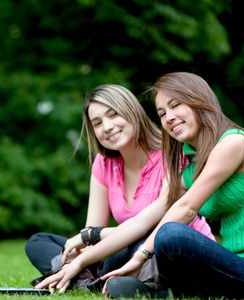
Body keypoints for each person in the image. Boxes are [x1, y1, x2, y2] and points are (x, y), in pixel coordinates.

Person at [38, 72, 244, 298]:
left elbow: (184, 209)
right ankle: (162, 291)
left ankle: (155, 287)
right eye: (162, 113)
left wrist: (140, 255)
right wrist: (83, 258)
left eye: (176, 106)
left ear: (200, 101)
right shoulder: (189, 165)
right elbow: (142, 221)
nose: (169, 117)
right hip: (237, 265)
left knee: (172, 234)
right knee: (163, 239)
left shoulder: (234, 142)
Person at [28, 83, 214, 292]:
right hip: (122, 247)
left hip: (162, 252)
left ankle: (83, 280)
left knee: (123, 248)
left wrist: (93, 241)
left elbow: (146, 227)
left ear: (132, 112)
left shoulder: (172, 153)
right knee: (39, 242)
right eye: (97, 123)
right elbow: (91, 232)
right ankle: (84, 280)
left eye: (113, 114)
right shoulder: (104, 162)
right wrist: (81, 253)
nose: (107, 127)